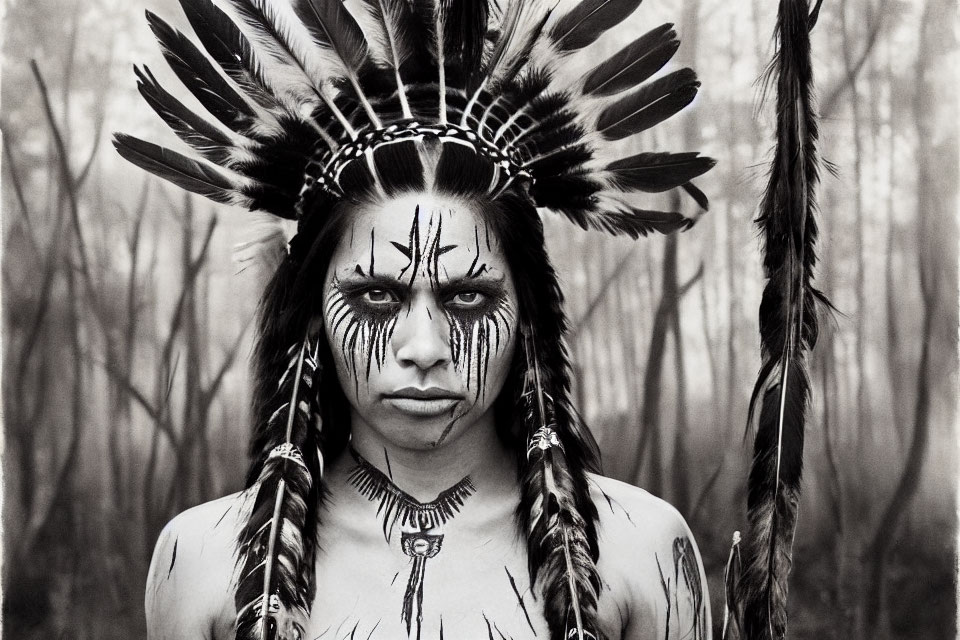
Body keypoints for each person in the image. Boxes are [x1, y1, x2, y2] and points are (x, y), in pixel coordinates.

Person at [116, 1, 716, 638]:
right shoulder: (204, 563)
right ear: (314, 309)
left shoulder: (641, 553)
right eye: (376, 297)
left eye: (467, 297)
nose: (424, 347)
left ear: (527, 314)